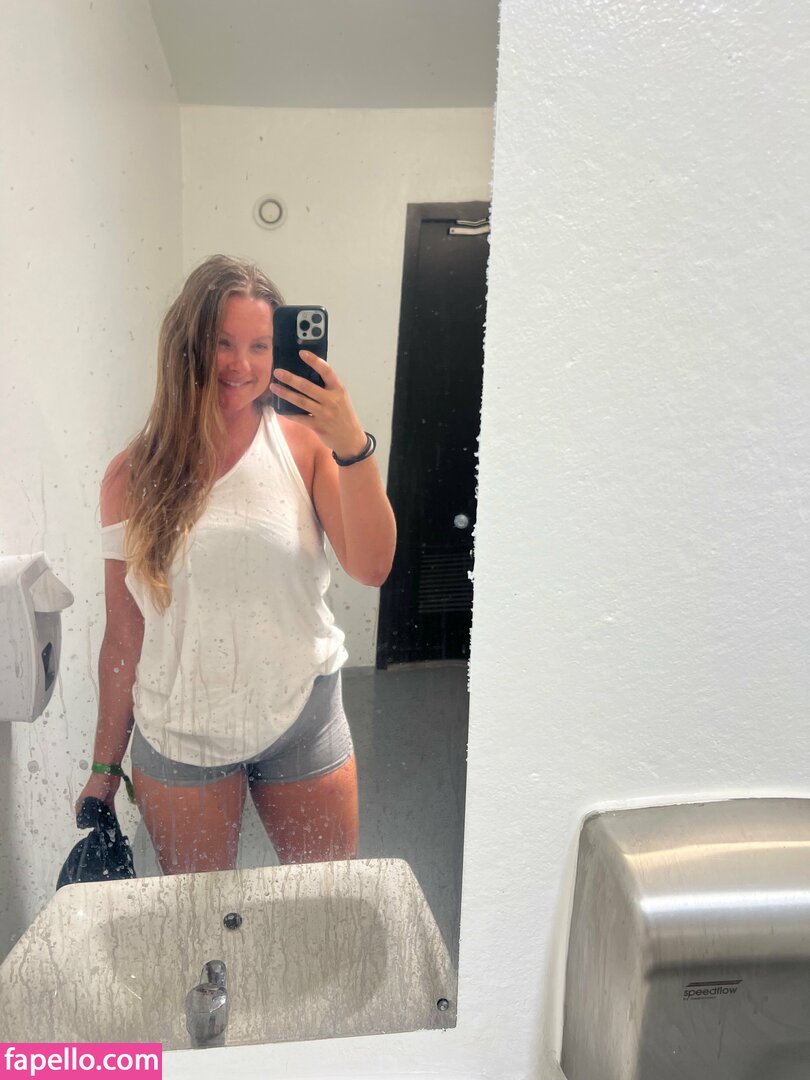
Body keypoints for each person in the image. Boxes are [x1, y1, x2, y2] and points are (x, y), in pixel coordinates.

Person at [75, 254, 396, 874]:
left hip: (302, 714)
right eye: (222, 342)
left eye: (259, 346)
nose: (241, 365)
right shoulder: (132, 476)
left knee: (323, 906)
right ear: (186, 344)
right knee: (205, 922)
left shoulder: (305, 445)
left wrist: (352, 444)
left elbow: (373, 566)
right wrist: (104, 767)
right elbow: (124, 634)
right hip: (181, 734)